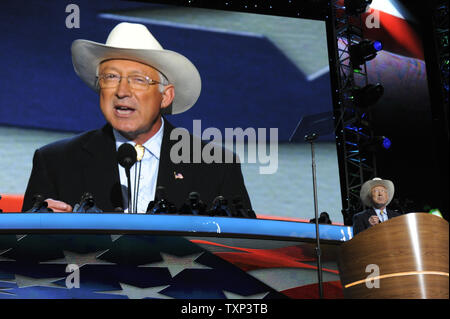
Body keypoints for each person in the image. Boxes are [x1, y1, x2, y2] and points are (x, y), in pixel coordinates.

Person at [21, 22, 252, 214]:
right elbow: (25, 256)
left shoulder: (216, 165)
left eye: (139, 80)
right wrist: (42, 226)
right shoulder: (55, 162)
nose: (122, 91)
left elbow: (242, 251)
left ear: (166, 96)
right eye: (111, 77)